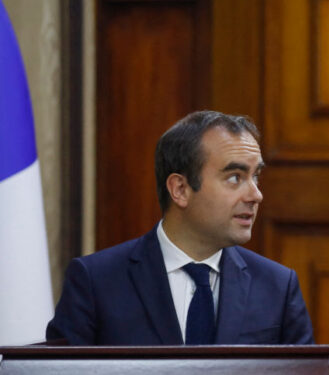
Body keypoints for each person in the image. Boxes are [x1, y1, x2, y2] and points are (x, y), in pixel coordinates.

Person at [47, 111, 314, 345]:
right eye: (235, 177)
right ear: (180, 189)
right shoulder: (96, 283)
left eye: (255, 176)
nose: (256, 195)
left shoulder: (278, 287)